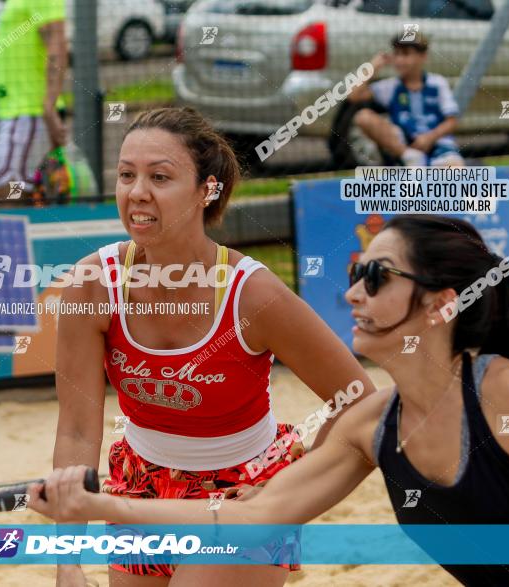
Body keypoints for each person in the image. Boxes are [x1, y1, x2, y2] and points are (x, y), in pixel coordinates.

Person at [31, 216, 509, 586]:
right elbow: (260, 516)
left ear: (442, 306)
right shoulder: (372, 425)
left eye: (375, 278)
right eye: (355, 274)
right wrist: (96, 506)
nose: (351, 294)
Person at [47, 107, 375, 586]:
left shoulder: (253, 294)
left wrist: (285, 490)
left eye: (160, 176)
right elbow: (76, 433)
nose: (137, 192)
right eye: (125, 175)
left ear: (207, 191)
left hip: (242, 488)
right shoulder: (91, 284)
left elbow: (358, 401)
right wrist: (67, 564)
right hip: (141, 485)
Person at [0, 0, 67, 201]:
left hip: (27, 113)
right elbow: (13, 40)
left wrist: (49, 106)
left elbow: (56, 41)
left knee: (6, 196)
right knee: (18, 197)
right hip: (18, 114)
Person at [348, 31, 465, 167]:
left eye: (406, 54)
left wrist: (429, 138)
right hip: (406, 146)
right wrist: (373, 67)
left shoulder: (438, 83)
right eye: (396, 54)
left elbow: (452, 121)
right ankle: (410, 157)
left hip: (438, 144)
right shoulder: (390, 86)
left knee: (456, 173)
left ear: (423, 56)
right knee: (363, 117)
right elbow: (353, 95)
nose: (399, 60)